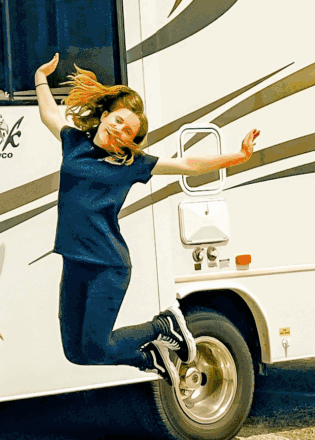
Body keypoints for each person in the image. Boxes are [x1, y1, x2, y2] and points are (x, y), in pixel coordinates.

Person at [32, 56, 258, 383]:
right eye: (118, 121)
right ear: (105, 116)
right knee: (76, 353)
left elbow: (187, 165)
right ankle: (150, 357)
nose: (119, 130)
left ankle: (163, 326)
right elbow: (49, 114)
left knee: (96, 346)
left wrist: (238, 156)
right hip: (74, 260)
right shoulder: (74, 143)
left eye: (128, 131)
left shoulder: (132, 164)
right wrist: (40, 77)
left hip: (108, 265)